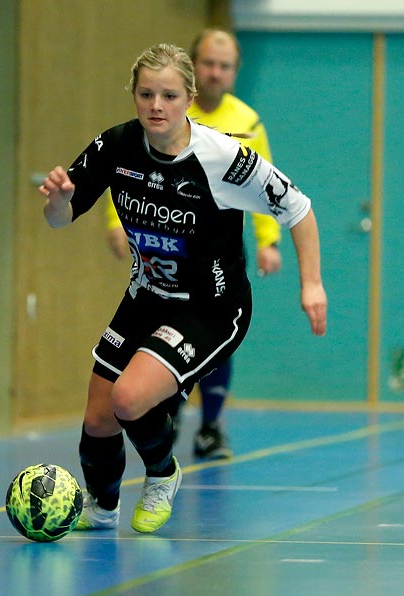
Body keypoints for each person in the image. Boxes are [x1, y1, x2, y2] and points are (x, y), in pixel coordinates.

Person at [42, 43, 327, 534]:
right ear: (133, 95)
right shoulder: (116, 146)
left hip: (211, 309)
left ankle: (163, 474)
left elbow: (298, 207)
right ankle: (103, 508)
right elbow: (59, 219)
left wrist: (312, 284)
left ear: (190, 98)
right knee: (97, 421)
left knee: (128, 399)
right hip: (145, 296)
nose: (157, 106)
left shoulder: (223, 159)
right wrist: (59, 200)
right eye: (147, 94)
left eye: (170, 96)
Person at [104, 28, 279, 461]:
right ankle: (168, 414)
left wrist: (268, 241)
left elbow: (266, 185)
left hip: (212, 258)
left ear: (235, 73)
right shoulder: (164, 111)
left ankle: (211, 426)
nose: (216, 73)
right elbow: (126, 169)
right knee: (156, 337)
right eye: (208, 64)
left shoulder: (247, 124)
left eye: (225, 66)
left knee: (213, 333)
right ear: (194, 71)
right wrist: (114, 222)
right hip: (162, 251)